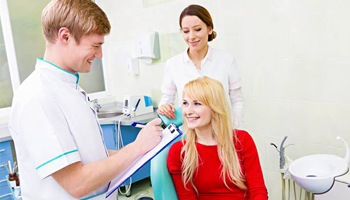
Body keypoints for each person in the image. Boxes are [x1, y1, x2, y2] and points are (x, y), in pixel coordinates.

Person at [8, 0, 163, 199]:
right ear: (65, 36)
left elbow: (91, 156)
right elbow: (76, 183)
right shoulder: (37, 96)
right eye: (96, 45)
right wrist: (136, 147)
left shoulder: (69, 88)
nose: (99, 54)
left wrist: (146, 148)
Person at [167, 76, 268, 200]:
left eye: (197, 103)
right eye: (185, 103)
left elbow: (257, 189)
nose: (188, 111)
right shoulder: (179, 151)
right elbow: (187, 197)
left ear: (215, 108)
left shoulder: (242, 140)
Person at [158, 4, 243, 128]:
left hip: (222, 133)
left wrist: (236, 131)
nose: (191, 36)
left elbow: (237, 100)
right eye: (186, 31)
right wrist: (164, 107)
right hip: (189, 135)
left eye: (197, 29)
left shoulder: (226, 60)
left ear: (209, 29)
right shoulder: (173, 64)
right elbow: (166, 100)